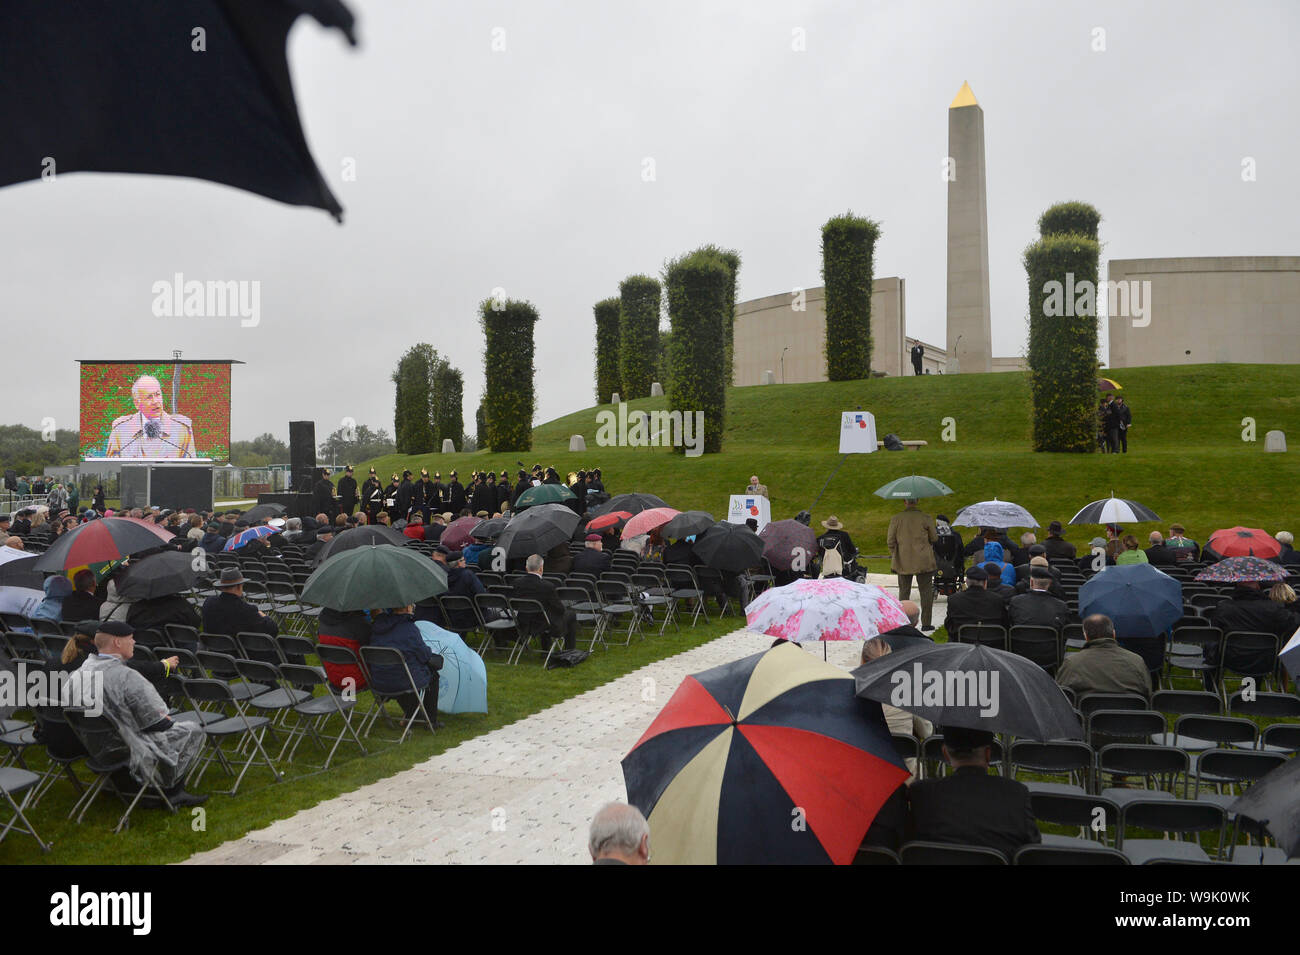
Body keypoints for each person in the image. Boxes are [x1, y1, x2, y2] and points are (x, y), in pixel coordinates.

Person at [62, 621, 207, 806]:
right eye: (130, 639)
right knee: (192, 729)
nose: (134, 642)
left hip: (95, 746)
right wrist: (164, 719)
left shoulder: (77, 674)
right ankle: (172, 791)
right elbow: (156, 722)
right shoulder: (126, 676)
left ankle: (125, 785)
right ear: (117, 643)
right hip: (129, 747)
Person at [905, 725, 1040, 859]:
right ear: (988, 754)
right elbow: (1032, 851)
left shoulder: (922, 794)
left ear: (945, 754)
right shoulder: (1016, 794)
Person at [861, 638, 931, 778]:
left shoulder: (852, 694)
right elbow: (927, 732)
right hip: (906, 779)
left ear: (863, 661)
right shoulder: (908, 693)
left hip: (866, 778)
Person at [368, 605, 442, 722]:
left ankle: (412, 714)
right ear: (408, 608)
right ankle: (431, 720)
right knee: (432, 674)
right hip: (403, 681)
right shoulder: (409, 628)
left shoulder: (376, 627)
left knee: (401, 670)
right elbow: (424, 656)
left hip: (380, 681)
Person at [1055, 614, 1151, 699]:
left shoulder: (1072, 663)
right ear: (1113, 634)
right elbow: (1148, 693)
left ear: (1086, 636)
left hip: (1085, 718)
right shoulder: (1136, 661)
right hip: (1131, 718)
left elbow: (1059, 696)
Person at [103, 375, 197, 458]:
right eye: (149, 397)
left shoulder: (182, 429)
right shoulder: (121, 430)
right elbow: (111, 470)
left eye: (157, 395)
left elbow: (191, 469)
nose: (155, 401)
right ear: (137, 403)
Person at [512, 554, 577, 651]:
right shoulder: (547, 586)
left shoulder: (516, 583)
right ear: (541, 568)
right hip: (543, 623)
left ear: (526, 568)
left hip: (524, 622)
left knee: (545, 612)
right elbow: (559, 609)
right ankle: (570, 650)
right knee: (570, 614)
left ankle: (545, 649)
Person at [201, 567, 279, 642]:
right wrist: (264, 616)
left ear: (222, 587)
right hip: (239, 652)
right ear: (239, 586)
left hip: (213, 651)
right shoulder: (245, 609)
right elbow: (272, 630)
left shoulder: (209, 602)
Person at [316, 607, 371, 691]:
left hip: (334, 678)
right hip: (359, 679)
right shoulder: (357, 623)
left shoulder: (322, 621)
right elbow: (371, 646)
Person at [943, 566, 1007, 637]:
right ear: (985, 582)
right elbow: (1005, 622)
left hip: (962, 642)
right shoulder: (997, 599)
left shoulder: (954, 599)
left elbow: (948, 624)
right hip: (992, 643)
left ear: (967, 582)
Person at [1008, 566, 1070, 632]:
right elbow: (1066, 630)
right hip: (1050, 642)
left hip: (1019, 641)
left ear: (1031, 582)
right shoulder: (1061, 606)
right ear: (1049, 585)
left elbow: (1010, 622)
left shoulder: (1016, 601)